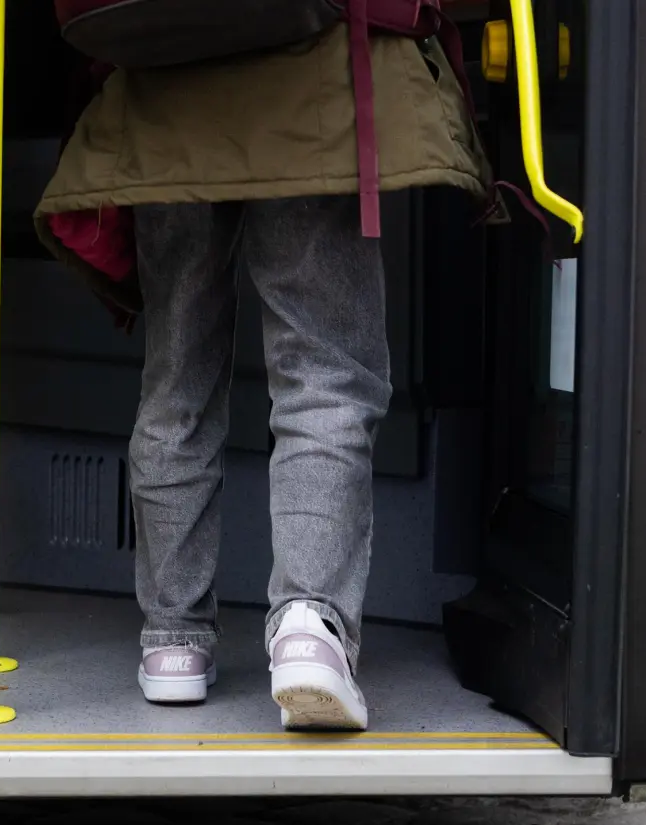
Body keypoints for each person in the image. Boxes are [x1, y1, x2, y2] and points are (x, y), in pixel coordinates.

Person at [35, 26, 494, 729]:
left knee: (177, 382)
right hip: (311, 92)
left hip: (166, 96)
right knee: (326, 373)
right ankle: (311, 628)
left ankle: (173, 643)